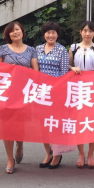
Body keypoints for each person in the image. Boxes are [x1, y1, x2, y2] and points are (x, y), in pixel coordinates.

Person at [0, 21, 39, 174]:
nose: (15, 32)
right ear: (8, 35)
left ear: (22, 31)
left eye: (17, 29)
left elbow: (36, 72)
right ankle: (9, 158)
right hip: (7, 93)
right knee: (6, 126)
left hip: (24, 93)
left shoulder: (31, 50)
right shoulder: (2, 49)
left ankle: (19, 145)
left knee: (20, 125)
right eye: (12, 31)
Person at [69, 21, 94, 169]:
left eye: (90, 31)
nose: (87, 33)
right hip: (77, 88)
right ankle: (81, 153)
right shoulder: (73, 48)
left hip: (93, 88)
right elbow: (67, 66)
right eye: (85, 30)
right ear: (80, 32)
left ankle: (91, 154)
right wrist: (72, 68)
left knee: (91, 122)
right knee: (79, 122)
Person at [35, 22, 70, 170]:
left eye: (53, 33)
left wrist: (58, 90)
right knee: (43, 124)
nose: (50, 35)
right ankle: (48, 153)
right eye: (48, 32)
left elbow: (64, 73)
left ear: (57, 34)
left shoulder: (62, 50)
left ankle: (57, 154)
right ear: (44, 34)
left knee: (55, 124)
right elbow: (34, 69)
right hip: (41, 91)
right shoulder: (37, 49)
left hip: (56, 92)